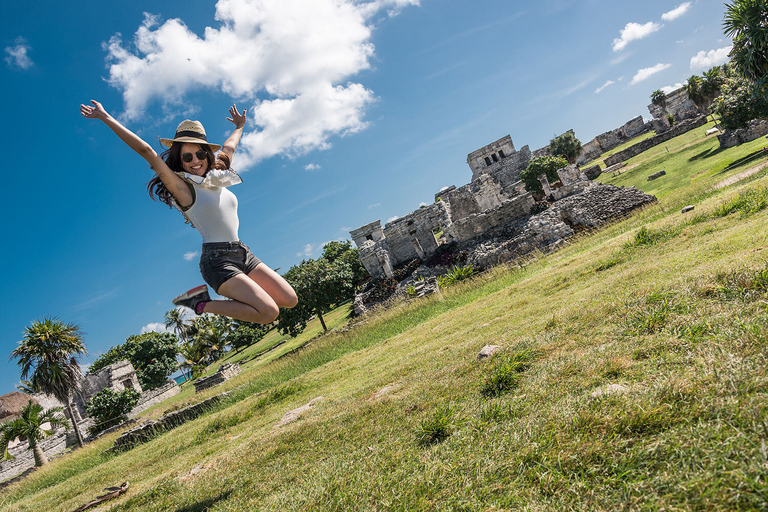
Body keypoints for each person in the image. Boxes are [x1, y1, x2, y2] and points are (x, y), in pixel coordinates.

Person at [79, 100, 298, 323]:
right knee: (269, 312)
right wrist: (105, 117)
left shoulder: (217, 175)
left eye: (200, 154)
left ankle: (223, 300)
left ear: (206, 155)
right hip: (217, 261)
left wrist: (239, 126)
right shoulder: (183, 189)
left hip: (243, 252)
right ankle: (200, 303)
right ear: (180, 160)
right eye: (187, 157)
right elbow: (147, 151)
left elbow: (229, 147)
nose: (195, 161)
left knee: (289, 299)